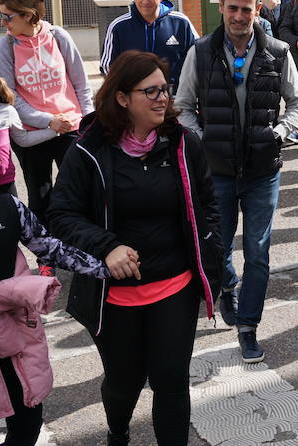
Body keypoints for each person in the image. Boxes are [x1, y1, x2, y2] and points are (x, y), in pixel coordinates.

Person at [48, 51, 224, 445]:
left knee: (171, 381)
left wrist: (211, 253)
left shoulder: (183, 144)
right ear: (123, 98)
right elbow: (61, 215)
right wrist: (106, 247)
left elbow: (209, 205)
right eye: (151, 91)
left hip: (174, 287)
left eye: (165, 89)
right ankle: (118, 432)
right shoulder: (88, 151)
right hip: (115, 297)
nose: (163, 98)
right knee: (123, 383)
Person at [175, 0, 298, 362]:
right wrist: (200, 141)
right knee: (218, 244)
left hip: (262, 171)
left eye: (246, 9)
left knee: (259, 251)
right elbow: (182, 107)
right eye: (232, 8)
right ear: (222, 8)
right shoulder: (199, 52)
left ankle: (248, 326)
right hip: (215, 171)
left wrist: (281, 132)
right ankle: (227, 287)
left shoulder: (278, 52)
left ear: (258, 10)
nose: (238, 16)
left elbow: (297, 104)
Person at [0, 140, 110, 446]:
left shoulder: (9, 208)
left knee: (28, 422)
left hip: (16, 335)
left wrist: (104, 266)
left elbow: (48, 246)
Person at [0, 0, 93, 238]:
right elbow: (10, 97)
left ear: (27, 15)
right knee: (40, 199)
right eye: (2, 15)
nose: (3, 22)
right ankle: (47, 258)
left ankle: (81, 246)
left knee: (79, 192)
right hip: (34, 134)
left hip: (71, 128)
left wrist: (88, 122)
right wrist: (49, 121)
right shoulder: (5, 47)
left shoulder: (58, 36)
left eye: (8, 16)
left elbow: (81, 83)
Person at [100, 0, 199, 88]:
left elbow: (198, 58)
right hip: (135, 100)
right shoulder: (118, 27)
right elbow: (108, 68)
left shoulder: (181, 23)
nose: (145, 1)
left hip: (174, 99)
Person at [0, 68, 59, 196]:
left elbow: (23, 139)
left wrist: (53, 131)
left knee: (10, 216)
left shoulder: (7, 111)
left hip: (4, 183)